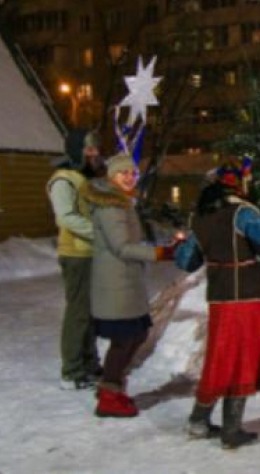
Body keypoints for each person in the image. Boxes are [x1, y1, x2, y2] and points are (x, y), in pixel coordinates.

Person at [175, 157, 260, 449]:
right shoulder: (245, 213)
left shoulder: (199, 217)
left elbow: (186, 261)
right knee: (241, 359)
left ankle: (199, 420)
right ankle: (230, 429)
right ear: (238, 184)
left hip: (220, 297)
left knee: (221, 357)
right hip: (248, 296)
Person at [80, 153, 178, 418]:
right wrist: (160, 254)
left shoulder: (122, 202)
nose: (129, 177)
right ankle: (109, 396)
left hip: (126, 280)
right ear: (111, 176)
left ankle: (111, 387)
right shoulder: (111, 206)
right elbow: (121, 247)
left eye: (132, 173)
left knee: (136, 334)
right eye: (123, 173)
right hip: (115, 282)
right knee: (126, 338)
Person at [47, 129, 103, 390]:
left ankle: (90, 364)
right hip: (76, 254)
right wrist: (100, 232)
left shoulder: (83, 178)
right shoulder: (63, 181)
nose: (94, 153)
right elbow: (66, 217)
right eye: (88, 148)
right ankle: (71, 370)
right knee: (78, 313)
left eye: (95, 148)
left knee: (92, 314)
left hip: (92, 253)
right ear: (76, 151)